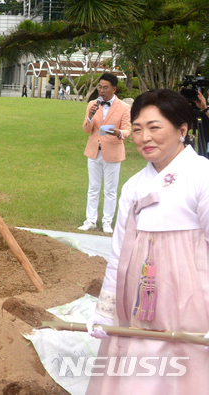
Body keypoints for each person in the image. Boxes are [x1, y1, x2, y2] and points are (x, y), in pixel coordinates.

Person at [85, 89, 209, 393]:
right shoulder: (133, 186)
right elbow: (117, 254)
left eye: (155, 128)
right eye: (138, 129)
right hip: (136, 301)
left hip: (190, 300)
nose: (144, 138)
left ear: (182, 130)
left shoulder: (202, 176)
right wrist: (105, 310)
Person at [78, 73, 131, 234]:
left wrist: (118, 132)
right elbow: (87, 130)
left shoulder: (124, 107)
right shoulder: (93, 104)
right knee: (93, 188)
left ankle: (107, 222)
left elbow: (128, 130)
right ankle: (90, 220)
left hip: (113, 151)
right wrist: (90, 116)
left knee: (110, 189)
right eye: (100, 87)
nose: (101, 90)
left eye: (105, 88)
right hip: (94, 151)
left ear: (114, 89)